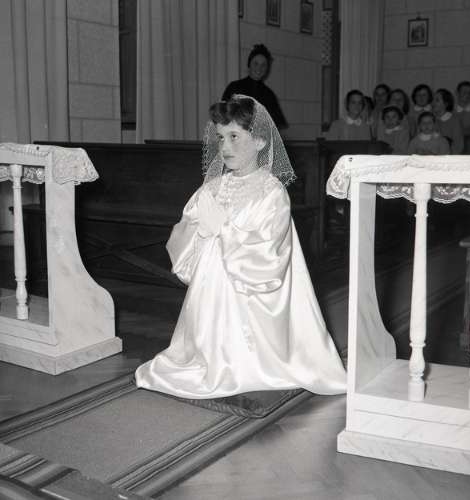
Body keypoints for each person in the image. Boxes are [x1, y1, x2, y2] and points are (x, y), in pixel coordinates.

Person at [135, 95, 347, 399]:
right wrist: (199, 231)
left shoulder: (271, 192)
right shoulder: (212, 188)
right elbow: (184, 240)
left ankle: (245, 362)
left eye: (234, 136)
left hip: (251, 298)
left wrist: (224, 230)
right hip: (210, 292)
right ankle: (207, 355)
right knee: (202, 344)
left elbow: (268, 252)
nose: (225, 146)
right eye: (221, 137)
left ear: (259, 141)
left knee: (241, 352)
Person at [222, 44, 288, 130]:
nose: (259, 68)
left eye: (263, 65)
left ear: (267, 69)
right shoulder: (234, 88)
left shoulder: (269, 95)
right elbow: (222, 117)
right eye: (256, 63)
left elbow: (277, 125)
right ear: (249, 65)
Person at [432, 88, 464, 154]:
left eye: (437, 100)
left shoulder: (455, 120)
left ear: (446, 103)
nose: (433, 103)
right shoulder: (430, 119)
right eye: (432, 100)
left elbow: (458, 146)